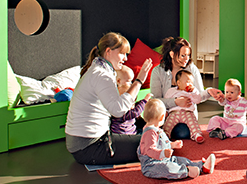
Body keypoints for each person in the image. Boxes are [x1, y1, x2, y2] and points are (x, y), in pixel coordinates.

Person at [65, 32, 153, 165]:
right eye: (122, 53)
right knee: (151, 143)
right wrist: (139, 80)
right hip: (89, 147)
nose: (125, 58)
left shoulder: (99, 69)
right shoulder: (102, 75)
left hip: (82, 144)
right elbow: (118, 110)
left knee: (147, 134)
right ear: (108, 51)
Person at [149, 36, 224, 139]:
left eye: (188, 55)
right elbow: (155, 100)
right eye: (183, 55)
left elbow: (198, 96)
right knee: (177, 132)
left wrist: (209, 91)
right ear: (172, 54)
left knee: (182, 132)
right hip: (167, 115)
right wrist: (175, 102)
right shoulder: (158, 71)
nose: (186, 59)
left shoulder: (191, 69)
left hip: (188, 115)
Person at [137, 99, 216, 179]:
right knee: (168, 168)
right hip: (151, 165)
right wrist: (163, 153)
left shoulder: (157, 129)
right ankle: (187, 171)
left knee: (181, 160)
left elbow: (162, 144)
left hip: (164, 159)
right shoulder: (149, 133)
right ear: (161, 118)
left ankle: (202, 166)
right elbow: (149, 150)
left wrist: (172, 144)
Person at [163, 70, 205, 143]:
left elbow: (198, 100)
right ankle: (165, 135)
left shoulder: (191, 93)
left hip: (187, 112)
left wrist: (194, 91)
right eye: (188, 82)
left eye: (191, 82)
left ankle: (197, 134)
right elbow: (166, 102)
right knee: (168, 124)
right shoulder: (171, 91)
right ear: (179, 83)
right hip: (174, 113)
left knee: (193, 122)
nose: (190, 84)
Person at [110, 65, 152, 135]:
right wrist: (144, 101)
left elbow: (133, 106)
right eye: (128, 81)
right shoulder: (121, 95)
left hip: (130, 128)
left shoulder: (121, 91)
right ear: (118, 81)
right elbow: (134, 112)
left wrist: (142, 102)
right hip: (124, 133)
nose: (131, 84)